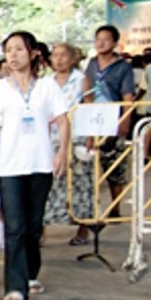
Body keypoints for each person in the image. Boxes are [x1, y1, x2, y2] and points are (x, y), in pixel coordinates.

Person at [0, 31, 70, 300]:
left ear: (32, 54)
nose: (13, 55)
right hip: (9, 167)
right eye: (8, 50)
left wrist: (62, 152)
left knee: (32, 226)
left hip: (41, 165)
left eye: (19, 49)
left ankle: (29, 274)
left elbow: (63, 121)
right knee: (15, 227)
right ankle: (15, 288)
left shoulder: (48, 87)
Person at [82, 25, 136, 219]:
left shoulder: (123, 67)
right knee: (90, 161)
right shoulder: (91, 64)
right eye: (98, 39)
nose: (101, 43)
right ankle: (91, 206)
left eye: (106, 39)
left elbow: (128, 96)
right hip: (93, 118)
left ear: (114, 43)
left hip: (114, 116)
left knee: (115, 163)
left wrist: (125, 120)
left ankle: (115, 205)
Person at [43, 44, 93, 245]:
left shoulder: (81, 79)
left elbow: (89, 106)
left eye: (63, 56)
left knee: (81, 183)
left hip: (77, 137)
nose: (59, 60)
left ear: (72, 58)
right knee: (49, 184)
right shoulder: (46, 82)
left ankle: (83, 228)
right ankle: (42, 229)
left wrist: (91, 137)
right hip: (51, 139)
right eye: (55, 56)